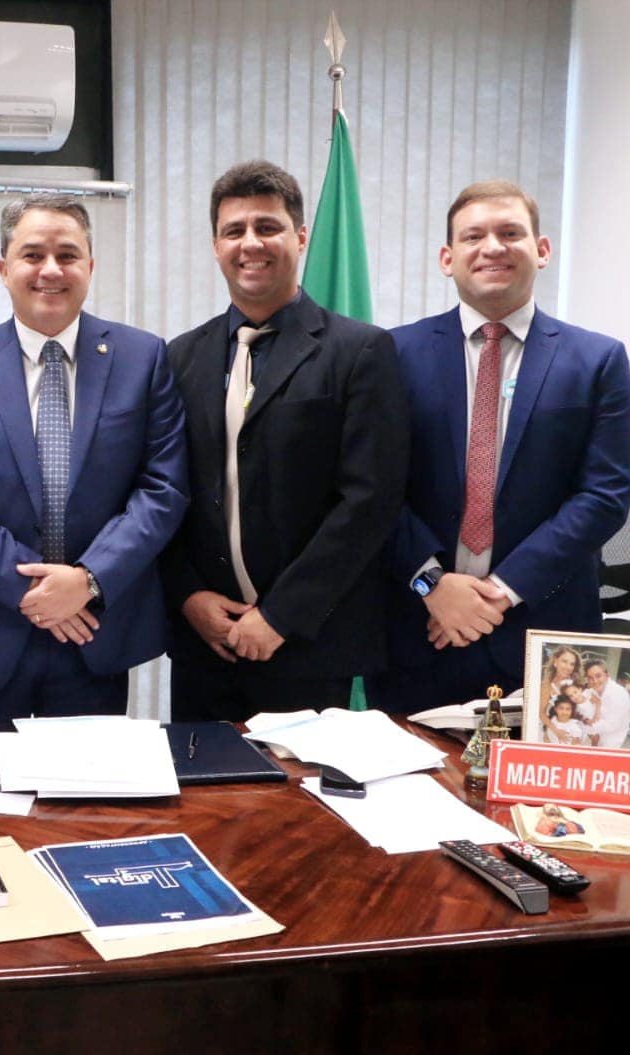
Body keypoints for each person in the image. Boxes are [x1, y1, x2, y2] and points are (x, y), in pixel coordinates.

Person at [0, 192, 188, 732]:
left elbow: (163, 488)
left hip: (93, 635)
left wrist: (88, 580)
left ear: (90, 266)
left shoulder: (143, 358)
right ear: (4, 269)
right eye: (33, 255)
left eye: (67, 255)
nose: (51, 270)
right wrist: (33, 592)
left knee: (83, 788)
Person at [376, 180, 630, 713]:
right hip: (421, 631)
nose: (492, 247)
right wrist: (432, 585)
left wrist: (501, 590)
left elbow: (605, 496)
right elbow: (372, 489)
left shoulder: (598, 361)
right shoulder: (392, 353)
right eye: (473, 236)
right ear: (447, 258)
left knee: (538, 773)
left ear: (541, 250)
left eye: (510, 233)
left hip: (548, 640)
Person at [161, 160, 408, 720]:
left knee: (301, 783)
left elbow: (370, 501)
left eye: (267, 227)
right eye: (234, 230)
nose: (250, 243)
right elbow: (165, 490)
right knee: (203, 780)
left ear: (300, 237)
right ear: (216, 246)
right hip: (206, 645)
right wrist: (188, 596)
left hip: (309, 645)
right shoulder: (180, 357)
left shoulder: (360, 351)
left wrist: (280, 616)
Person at [584, 658, 630, 748]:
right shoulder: (590, 692)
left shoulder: (619, 693)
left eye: (598, 676)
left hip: (609, 744)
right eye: (590, 678)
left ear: (607, 675)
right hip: (591, 741)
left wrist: (583, 727)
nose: (595, 681)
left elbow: (611, 725)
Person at [536, 644, 583, 735]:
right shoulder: (547, 686)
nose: (568, 667)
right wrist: (556, 731)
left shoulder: (577, 684)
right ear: (555, 661)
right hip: (554, 729)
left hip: (577, 728)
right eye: (564, 661)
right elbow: (541, 713)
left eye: (572, 664)